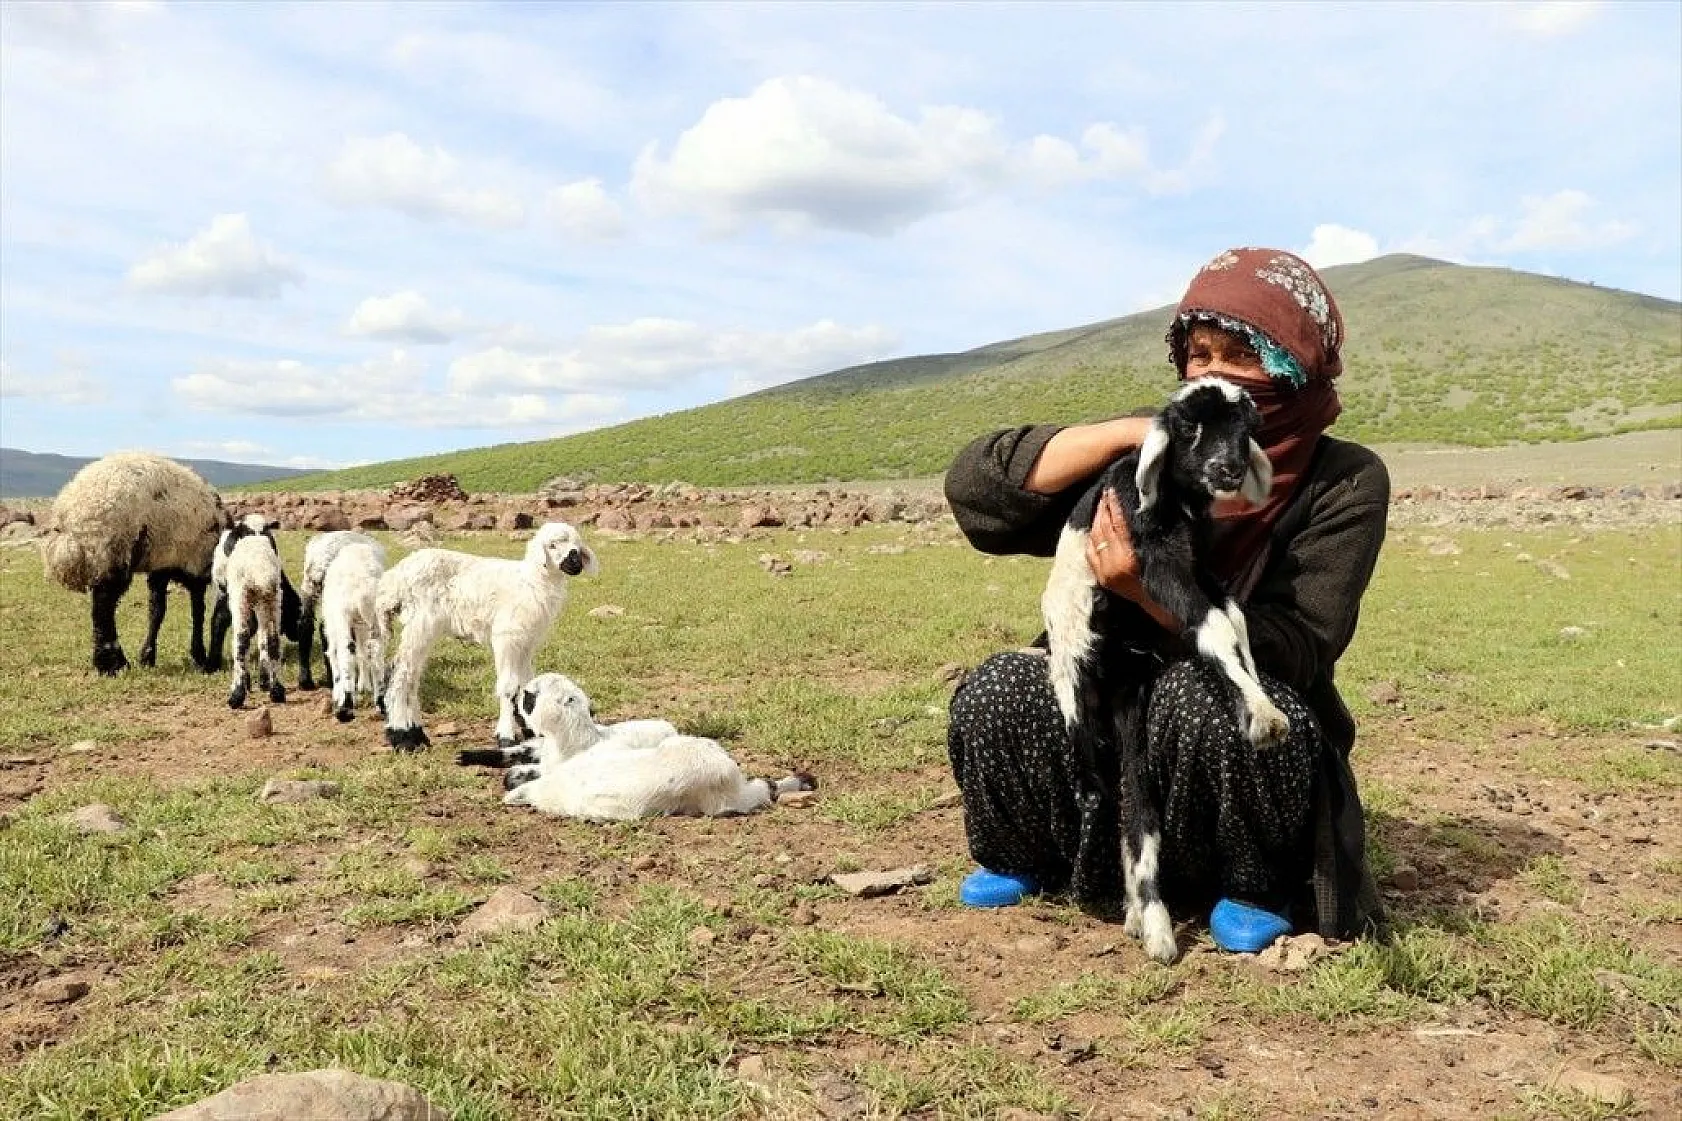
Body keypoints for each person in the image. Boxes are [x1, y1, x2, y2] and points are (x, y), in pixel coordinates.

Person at [942, 247, 1388, 952]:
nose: (1210, 371)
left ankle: (1250, 880)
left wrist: (1145, 593)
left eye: (1240, 353)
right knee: (1003, 686)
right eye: (1198, 352)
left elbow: (1299, 642)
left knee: (1203, 697)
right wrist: (1132, 434)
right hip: (1118, 699)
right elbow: (977, 490)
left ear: (1293, 365)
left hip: (1232, 695)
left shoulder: (1345, 479)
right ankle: (1033, 850)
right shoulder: (1151, 446)